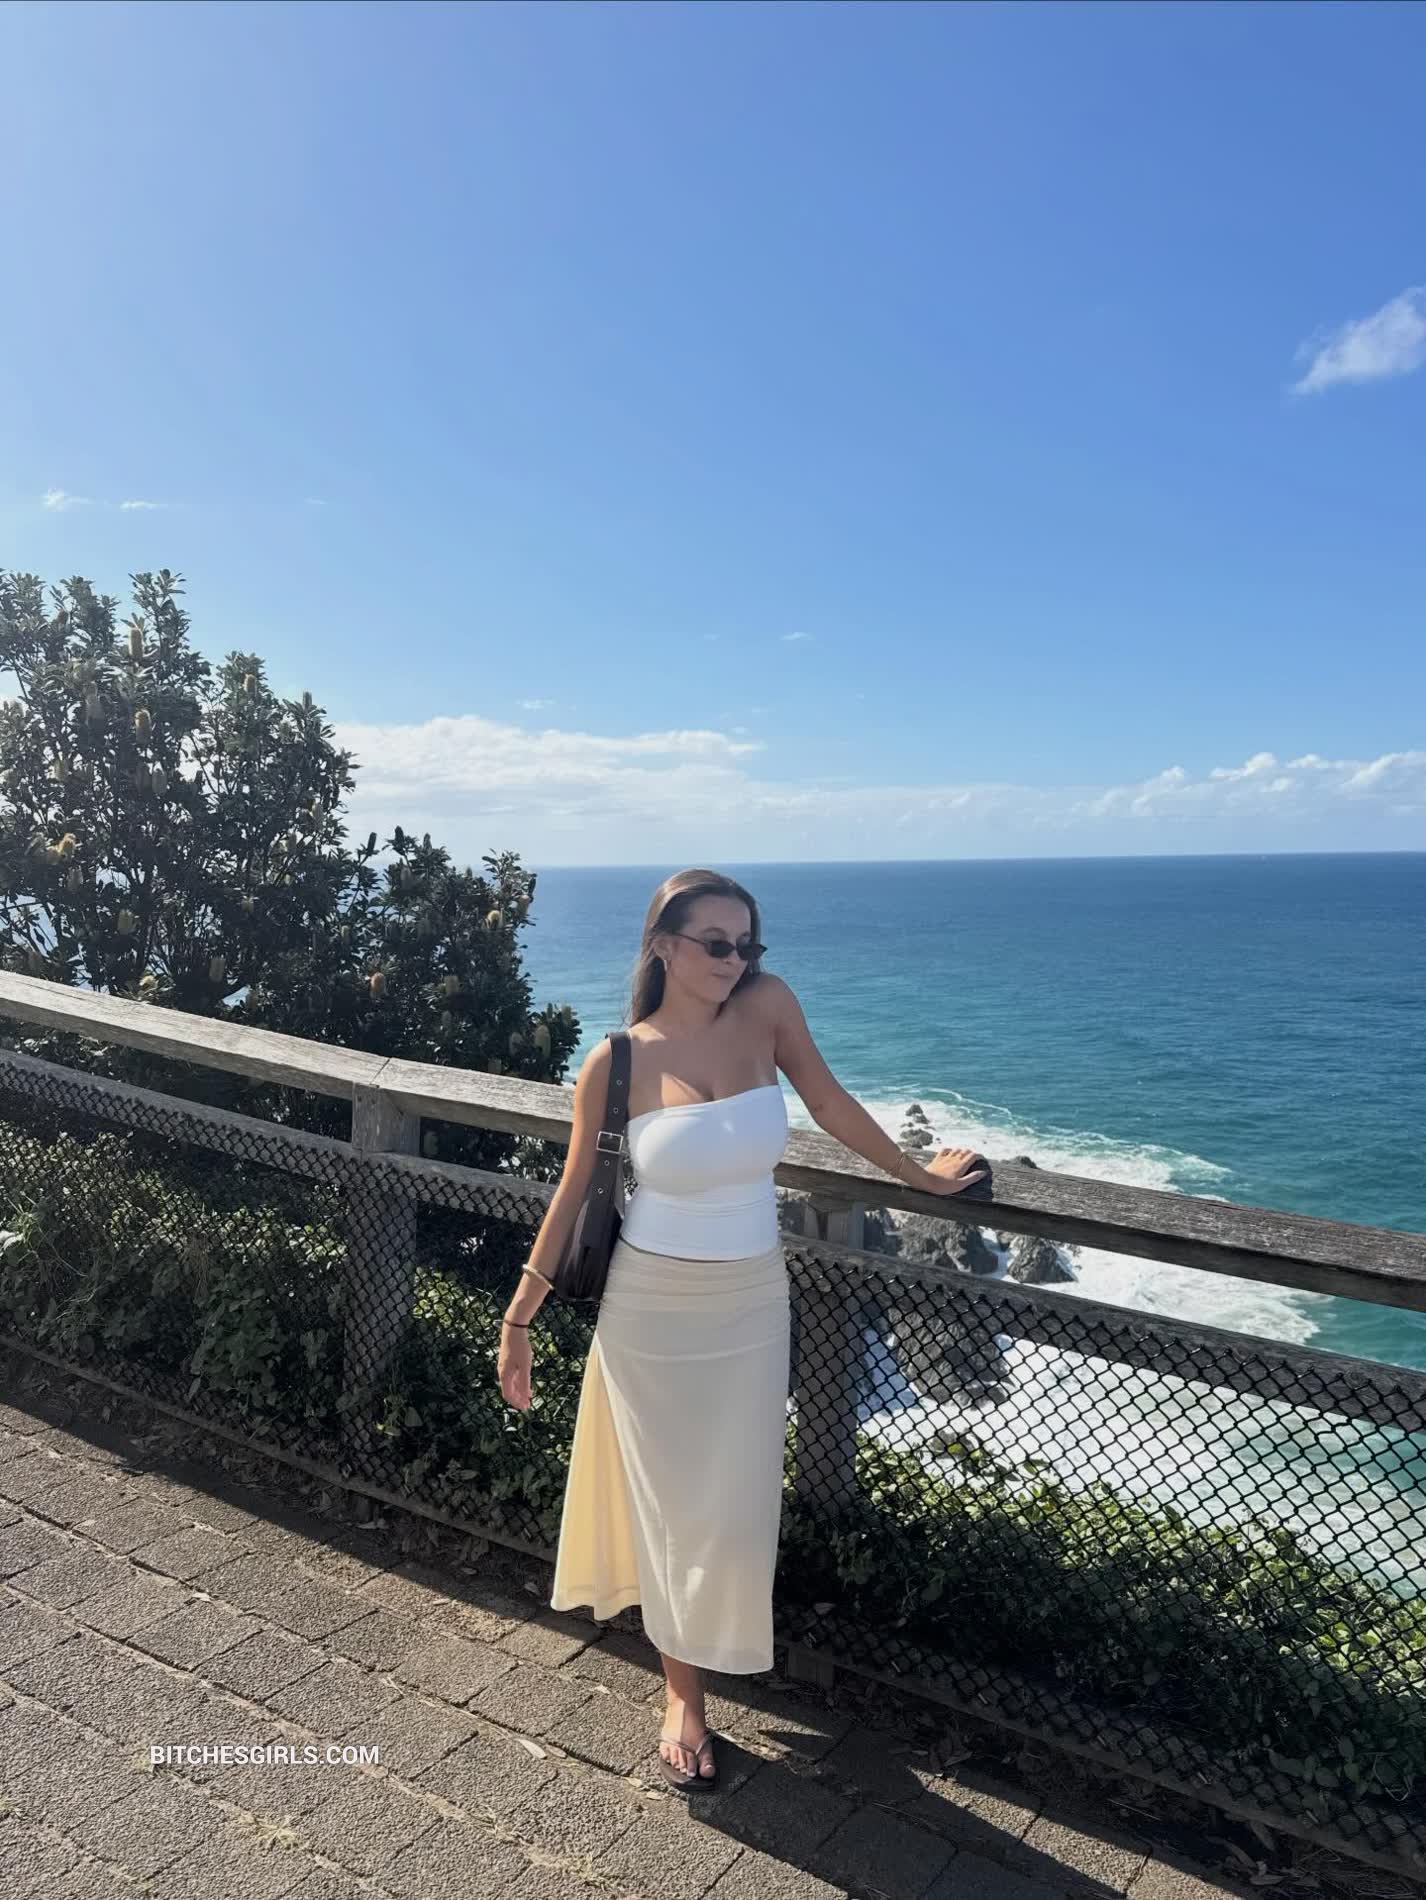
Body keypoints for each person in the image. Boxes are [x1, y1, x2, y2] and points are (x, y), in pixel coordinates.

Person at [497, 868, 986, 1793]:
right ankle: (684, 1695)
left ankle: (706, 1649)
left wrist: (921, 1179)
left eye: (746, 943)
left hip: (753, 1304)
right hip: (650, 1312)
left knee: (732, 1506)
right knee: (672, 1503)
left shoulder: (768, 1007)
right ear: (663, 946)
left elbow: (829, 1103)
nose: (735, 960)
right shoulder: (617, 1061)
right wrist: (520, 1316)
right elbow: (573, 1192)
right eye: (715, 943)